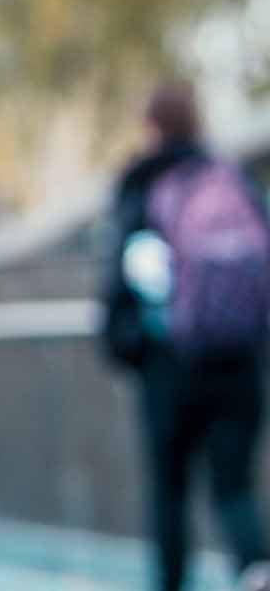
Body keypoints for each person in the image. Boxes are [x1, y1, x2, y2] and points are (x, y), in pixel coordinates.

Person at [101, 80, 270, 591]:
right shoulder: (231, 179)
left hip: (167, 367)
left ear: (151, 127)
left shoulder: (142, 183)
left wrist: (126, 347)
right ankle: (256, 572)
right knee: (235, 491)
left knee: (170, 496)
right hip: (237, 360)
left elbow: (118, 286)